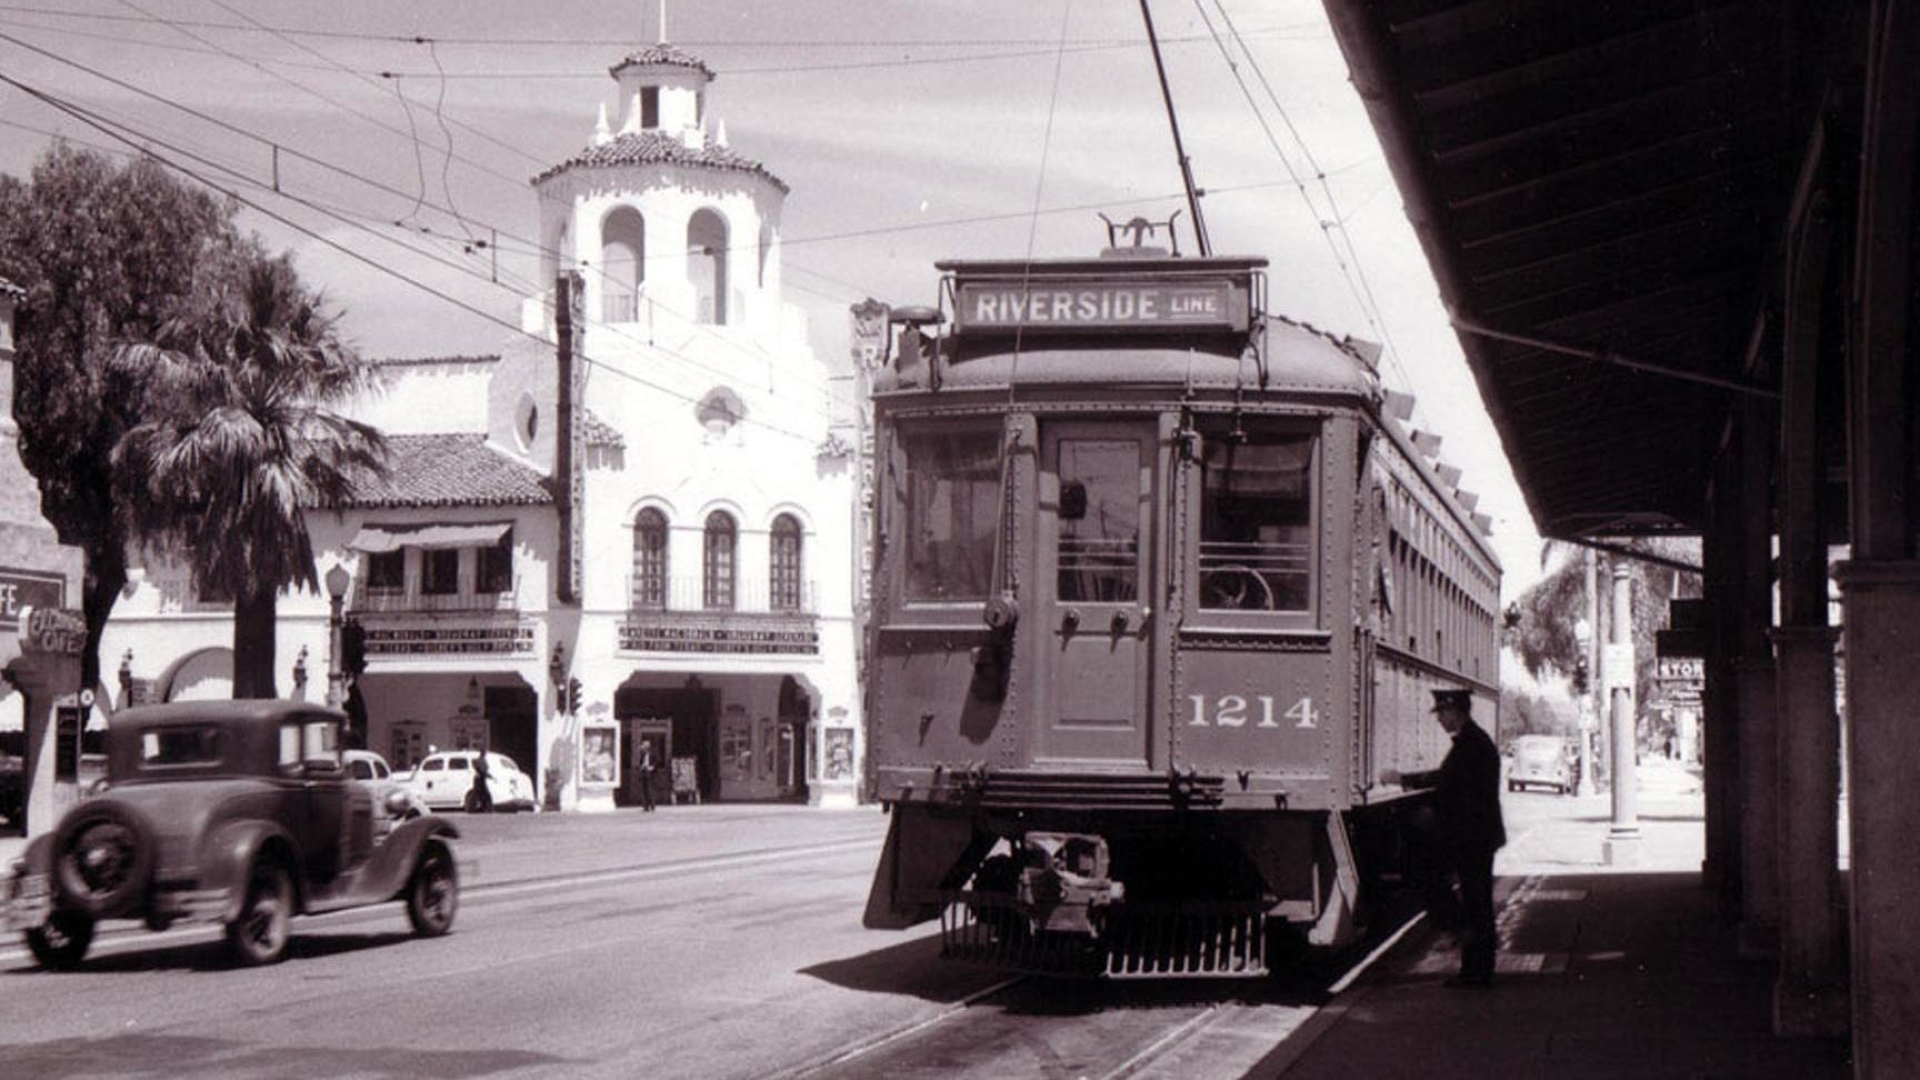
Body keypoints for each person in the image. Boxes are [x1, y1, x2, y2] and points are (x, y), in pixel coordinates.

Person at [1381, 688, 1506, 988]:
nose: (1439, 720)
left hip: (1472, 837)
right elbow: (1448, 780)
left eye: (1442, 713)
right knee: (1475, 901)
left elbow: (1449, 784)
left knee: (1465, 897)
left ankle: (1474, 964)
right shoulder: (1471, 741)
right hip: (1474, 836)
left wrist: (1405, 781)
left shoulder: (1472, 744)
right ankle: (1474, 968)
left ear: (1457, 711)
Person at [636, 740, 657, 812]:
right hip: (644, 772)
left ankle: (652, 805)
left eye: (644, 745)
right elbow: (641, 762)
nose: (642, 747)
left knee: (650, 790)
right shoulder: (643, 754)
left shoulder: (652, 753)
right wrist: (640, 768)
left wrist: (653, 767)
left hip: (650, 773)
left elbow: (657, 761)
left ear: (647, 746)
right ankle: (645, 806)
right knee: (644, 790)